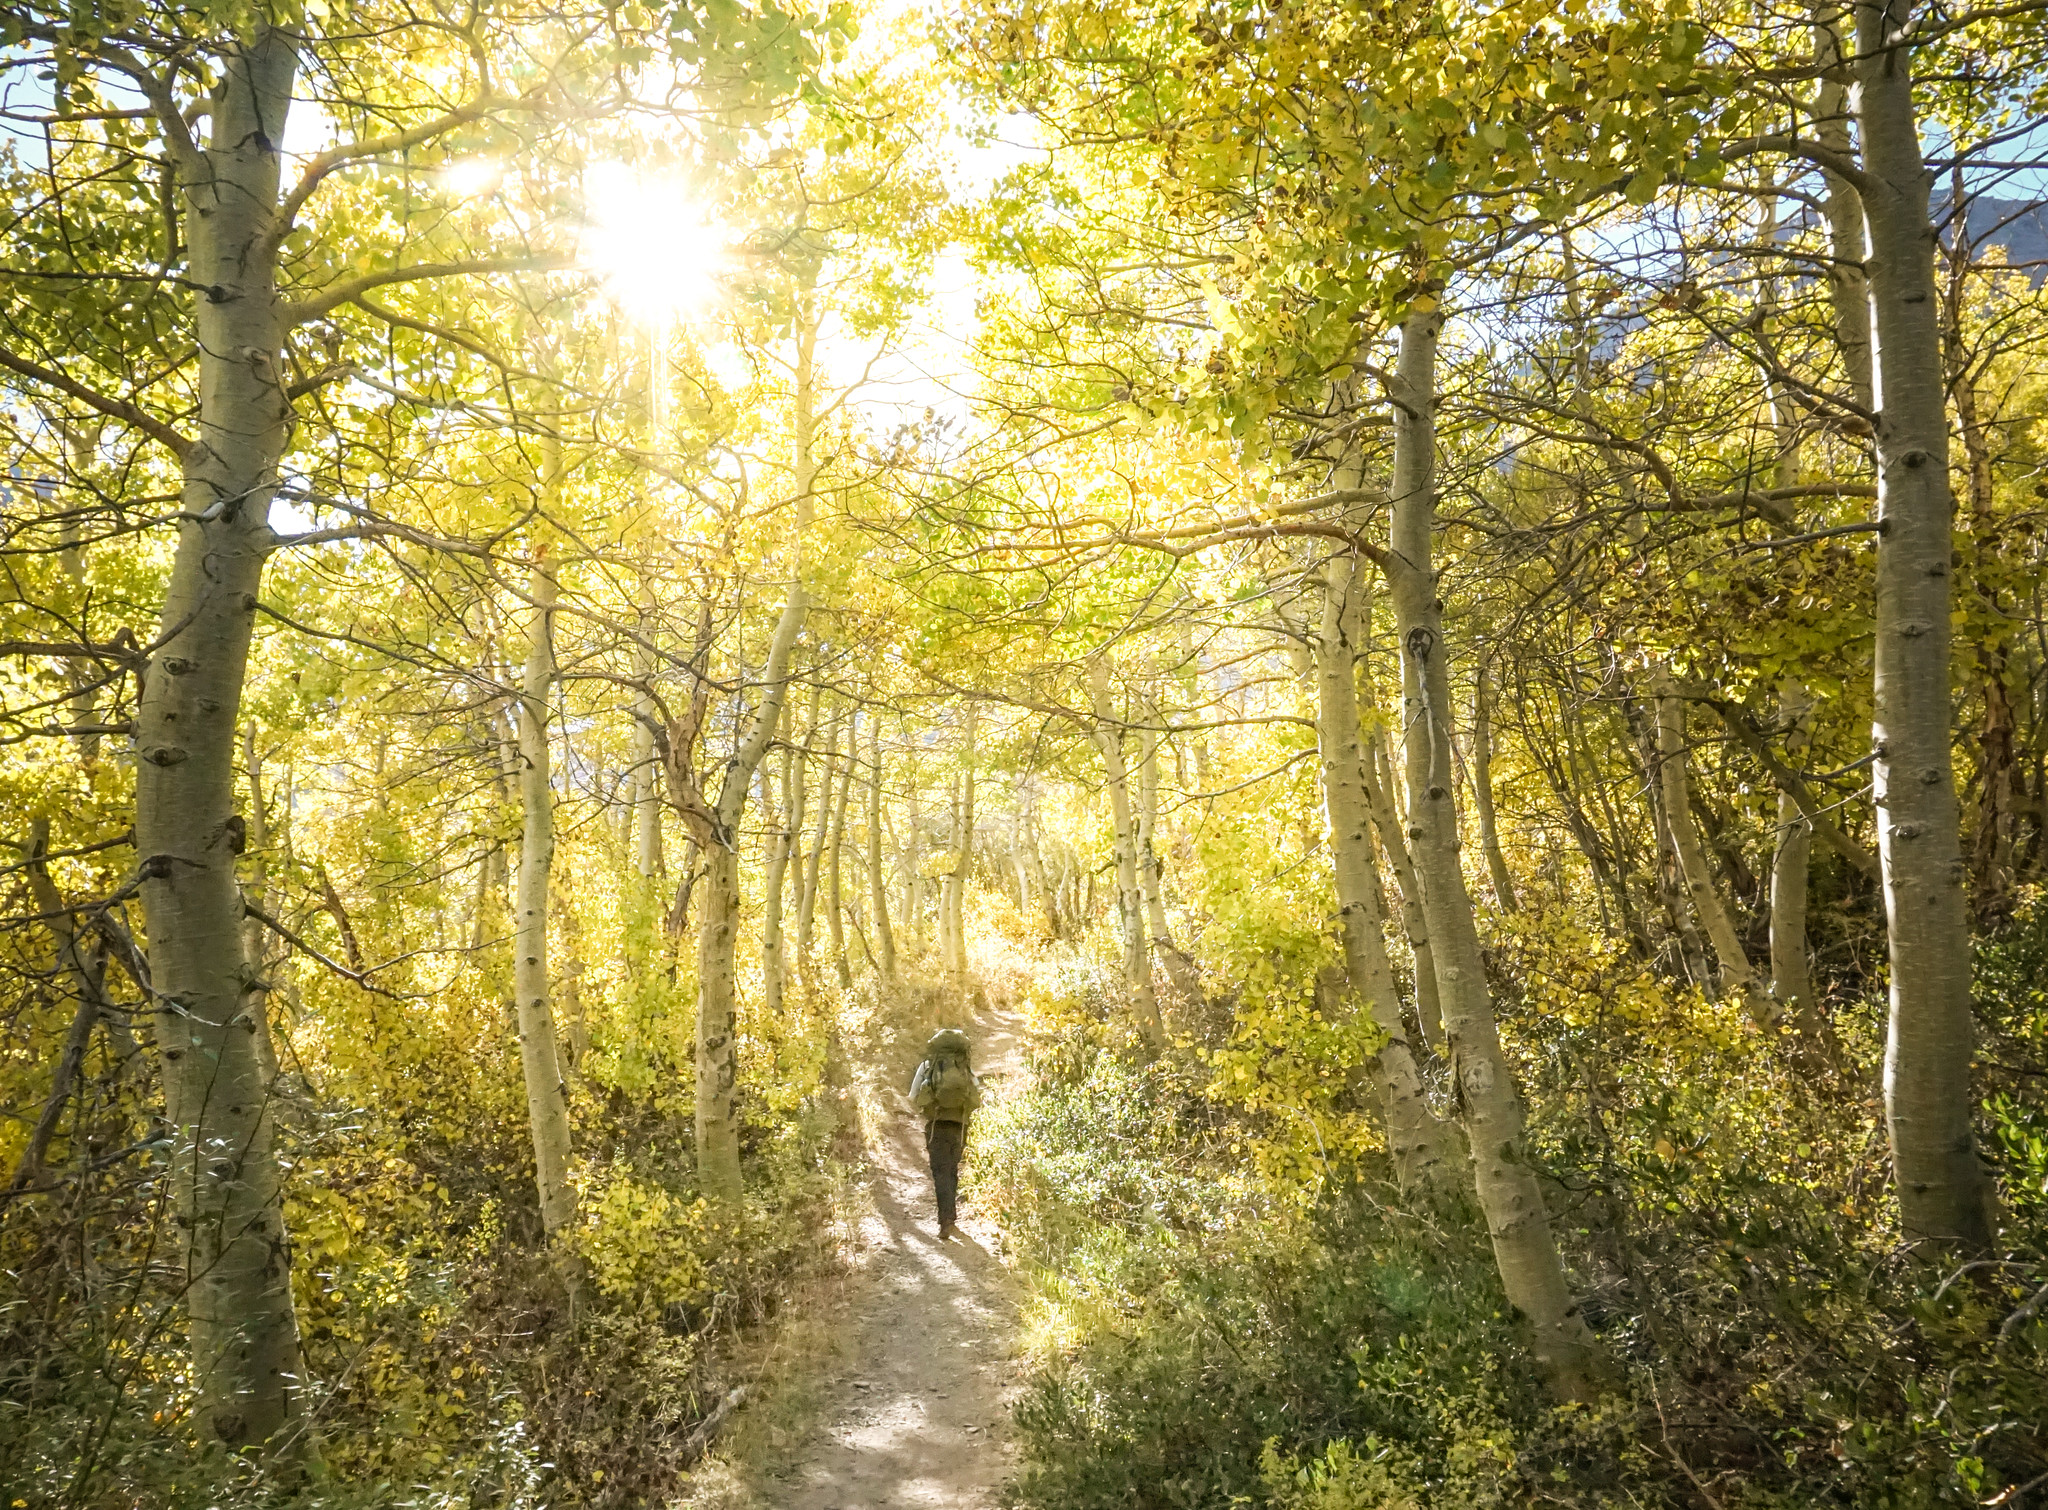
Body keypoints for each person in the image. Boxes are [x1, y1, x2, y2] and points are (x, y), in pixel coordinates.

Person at [908, 1027, 982, 1240]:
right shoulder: (963, 1066)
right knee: (951, 1169)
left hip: (936, 1125)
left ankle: (945, 1221)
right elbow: (976, 1096)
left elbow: (914, 1096)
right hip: (959, 1126)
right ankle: (951, 1216)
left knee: (940, 1172)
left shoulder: (928, 1066)